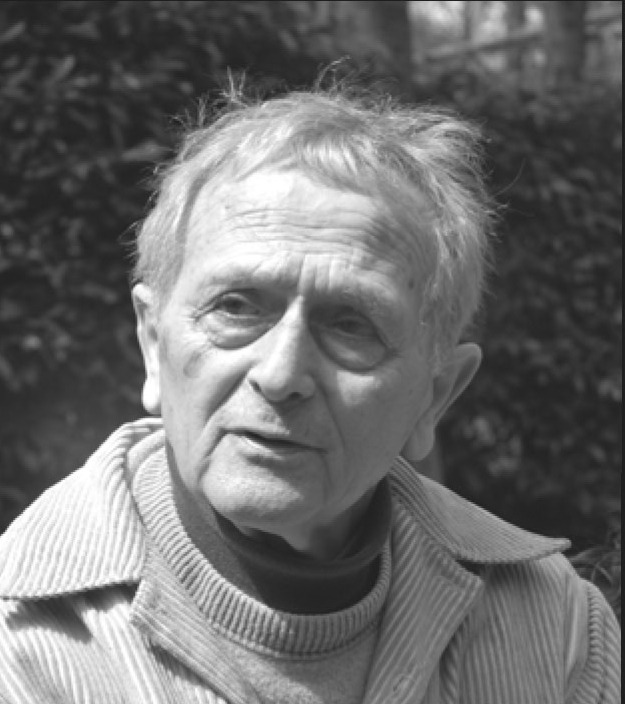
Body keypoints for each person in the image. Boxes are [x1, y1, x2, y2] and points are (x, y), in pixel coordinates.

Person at [0, 82, 620, 704]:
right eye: (236, 307)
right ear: (153, 342)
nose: (280, 374)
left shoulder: (558, 627)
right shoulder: (17, 637)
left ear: (436, 395)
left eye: (351, 325)